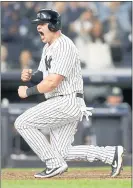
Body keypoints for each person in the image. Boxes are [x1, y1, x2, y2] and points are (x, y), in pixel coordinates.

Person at [14, 9, 124, 178]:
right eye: (38, 24)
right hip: (61, 101)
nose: (38, 28)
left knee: (22, 123)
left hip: (67, 100)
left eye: (42, 24)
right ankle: (110, 154)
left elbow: (52, 82)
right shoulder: (47, 47)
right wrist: (30, 76)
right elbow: (43, 75)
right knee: (63, 151)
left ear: (52, 25)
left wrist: (27, 92)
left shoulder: (64, 45)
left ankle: (53, 164)